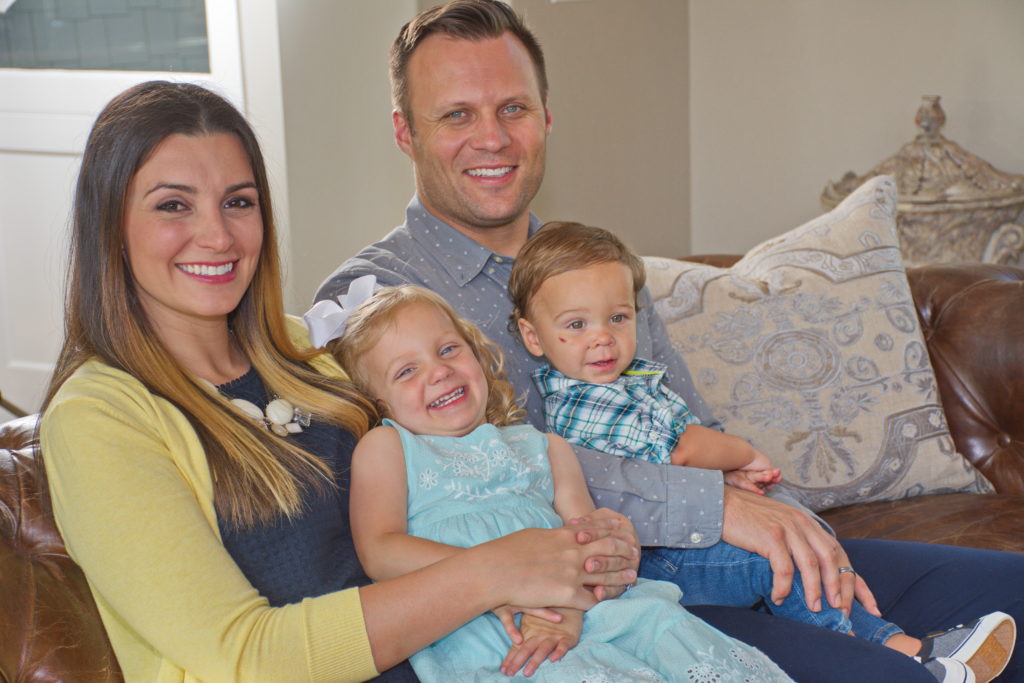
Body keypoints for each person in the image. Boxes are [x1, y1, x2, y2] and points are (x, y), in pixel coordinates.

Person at [314, 1, 1024, 681]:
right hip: (609, 607)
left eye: (513, 108)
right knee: (889, 673)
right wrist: (714, 503)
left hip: (715, 549)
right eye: (456, 115)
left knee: (1014, 592)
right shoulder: (374, 303)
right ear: (405, 133)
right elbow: (508, 465)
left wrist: (752, 498)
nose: (493, 137)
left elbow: (681, 417)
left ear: (547, 117)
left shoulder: (592, 265)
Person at [38, 80, 643, 682]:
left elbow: (469, 469)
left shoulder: (315, 350)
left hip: (489, 650)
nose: (218, 236)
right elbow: (243, 658)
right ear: (110, 223)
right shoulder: (98, 417)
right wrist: (492, 573)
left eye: (239, 201)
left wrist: (584, 540)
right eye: (173, 204)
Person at [507, 220, 1017, 682]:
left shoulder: (626, 382)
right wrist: (741, 454)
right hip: (658, 561)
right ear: (532, 336)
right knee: (780, 560)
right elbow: (684, 450)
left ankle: (906, 649)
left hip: (685, 543)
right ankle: (904, 654)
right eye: (576, 326)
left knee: (793, 550)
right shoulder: (587, 402)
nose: (602, 338)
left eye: (618, 318)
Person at [310, 281, 792, 682]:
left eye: (448, 349)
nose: (438, 372)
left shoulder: (542, 446)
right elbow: (380, 550)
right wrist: (502, 581)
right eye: (407, 371)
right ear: (376, 402)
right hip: (488, 624)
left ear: (477, 354)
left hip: (579, 606)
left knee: (665, 627)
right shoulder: (389, 447)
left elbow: (590, 544)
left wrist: (569, 605)